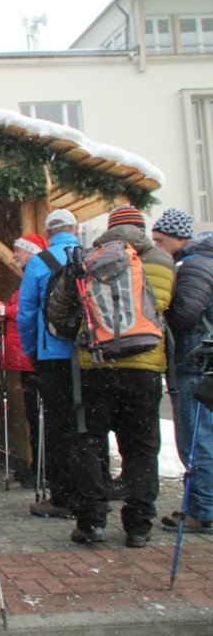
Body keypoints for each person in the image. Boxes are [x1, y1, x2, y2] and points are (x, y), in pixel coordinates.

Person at [67, 205, 173, 547]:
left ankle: (91, 522)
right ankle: (138, 525)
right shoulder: (161, 260)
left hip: (96, 363)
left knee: (90, 443)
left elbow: (60, 310)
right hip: (144, 365)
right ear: (142, 226)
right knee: (141, 446)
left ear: (109, 229)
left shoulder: (89, 258)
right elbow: (172, 308)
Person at [17, 208, 84, 520]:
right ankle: (92, 493)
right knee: (87, 426)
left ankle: (62, 496)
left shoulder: (39, 262)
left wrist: (32, 351)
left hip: (52, 354)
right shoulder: (91, 256)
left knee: (58, 426)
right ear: (76, 229)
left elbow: (26, 313)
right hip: (88, 354)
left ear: (48, 233)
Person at [152, 208, 213, 534]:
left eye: (161, 240)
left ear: (180, 238)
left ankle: (202, 511)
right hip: (203, 362)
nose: (157, 246)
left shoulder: (192, 265)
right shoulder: (204, 262)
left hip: (194, 364)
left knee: (196, 440)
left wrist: (161, 315)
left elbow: (185, 315)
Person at [0, 235, 46, 488]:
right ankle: (38, 466)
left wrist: (5, 311)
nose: (15, 255)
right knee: (34, 414)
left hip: (33, 357)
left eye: (19, 250)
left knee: (39, 415)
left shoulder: (37, 274)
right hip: (28, 357)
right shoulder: (30, 276)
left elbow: (30, 308)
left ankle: (43, 467)